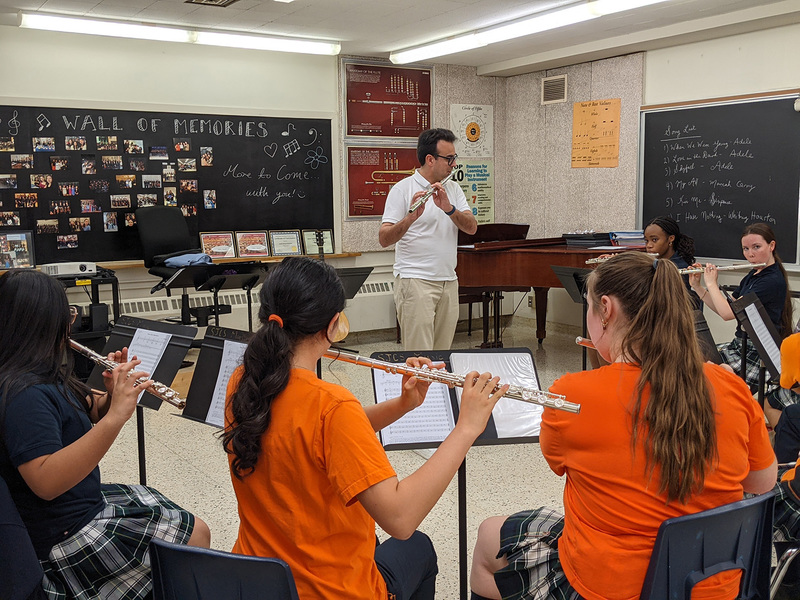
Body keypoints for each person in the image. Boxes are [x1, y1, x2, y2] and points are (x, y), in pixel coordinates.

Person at [469, 252, 776, 600]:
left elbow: (560, 461)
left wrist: (606, 372)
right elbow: (761, 482)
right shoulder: (730, 385)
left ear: (606, 309)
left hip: (606, 588)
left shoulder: (571, 394)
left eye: (587, 307)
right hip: (711, 587)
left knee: (487, 539)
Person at [223, 256, 506, 600]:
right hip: (329, 590)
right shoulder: (331, 404)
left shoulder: (245, 381)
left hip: (257, 583)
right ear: (331, 327)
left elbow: (317, 435)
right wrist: (467, 427)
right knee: (418, 547)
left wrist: (404, 404)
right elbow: (400, 519)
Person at [0, 269, 210, 599]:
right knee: (195, 536)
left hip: (80, 505)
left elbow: (83, 410)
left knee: (171, 513)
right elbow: (46, 481)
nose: (70, 324)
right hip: (64, 535)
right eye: (66, 315)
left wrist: (111, 395)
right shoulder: (24, 396)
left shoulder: (44, 373)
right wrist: (116, 418)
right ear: (43, 324)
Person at [379, 128, 478, 351]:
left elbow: (471, 228)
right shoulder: (402, 189)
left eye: (455, 158)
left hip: (448, 281)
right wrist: (411, 217)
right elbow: (384, 238)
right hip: (415, 281)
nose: (454, 164)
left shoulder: (453, 189)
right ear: (430, 159)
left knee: (442, 357)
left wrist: (449, 209)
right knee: (419, 359)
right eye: (449, 159)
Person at [689, 222, 795, 427]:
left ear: (771, 246)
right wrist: (698, 287)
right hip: (741, 344)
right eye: (746, 249)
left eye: (757, 247)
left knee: (715, 379)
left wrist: (711, 283)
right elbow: (724, 310)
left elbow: (728, 314)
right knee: (694, 361)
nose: (750, 254)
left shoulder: (771, 280)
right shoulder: (754, 274)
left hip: (757, 350)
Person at [644, 215, 702, 309]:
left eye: (654, 240)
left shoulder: (680, 267)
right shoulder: (654, 262)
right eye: (646, 241)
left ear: (671, 239)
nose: (649, 245)